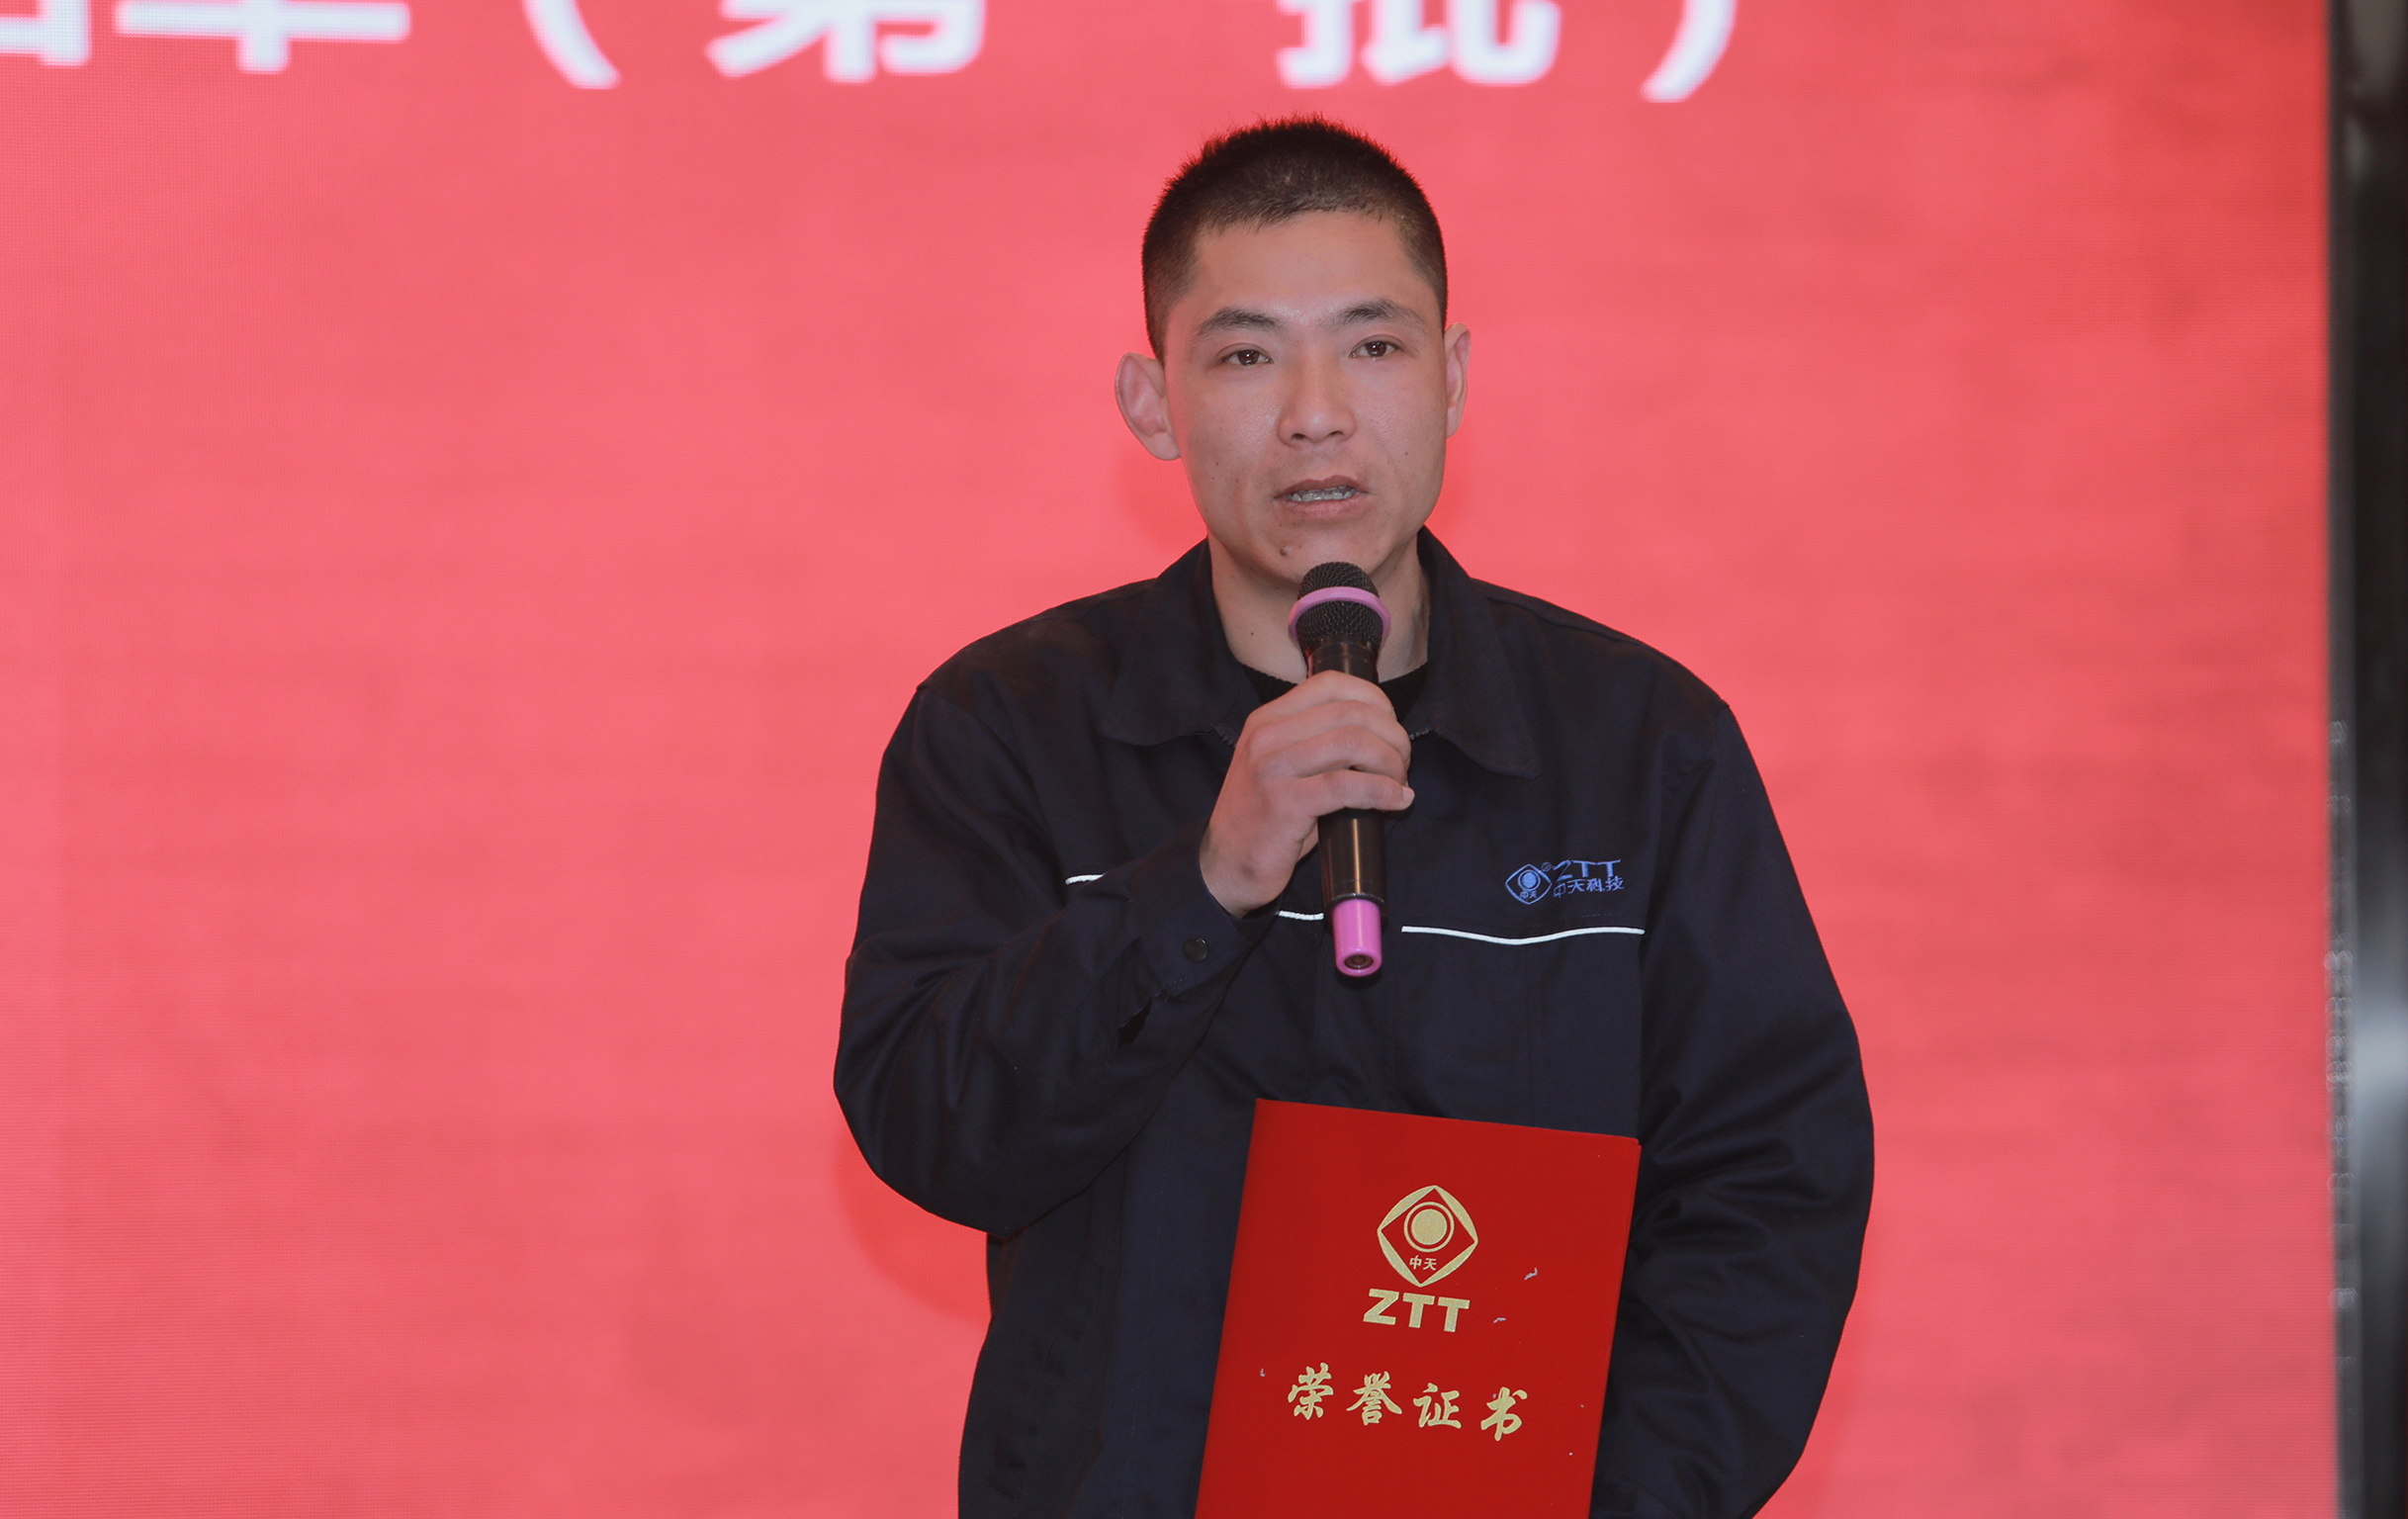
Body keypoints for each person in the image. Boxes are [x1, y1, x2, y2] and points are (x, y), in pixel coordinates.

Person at [837, 117, 1874, 1519]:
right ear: (1153, 404)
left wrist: (1611, 1501)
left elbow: (1770, 1182)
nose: (1315, 412)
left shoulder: (1641, 745)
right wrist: (1201, 885)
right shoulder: (1009, 728)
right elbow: (933, 1128)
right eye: (1246, 356)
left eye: (1374, 345)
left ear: (1453, 379)